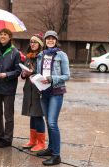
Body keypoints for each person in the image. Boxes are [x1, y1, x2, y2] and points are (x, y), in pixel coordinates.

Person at [35, 30, 70, 166]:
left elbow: (67, 75)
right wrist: (36, 79)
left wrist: (52, 78)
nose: (50, 40)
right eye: (48, 38)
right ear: (44, 40)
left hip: (56, 92)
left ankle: (56, 156)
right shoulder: (40, 55)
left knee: (52, 123)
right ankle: (51, 148)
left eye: (52, 38)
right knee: (48, 122)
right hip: (44, 92)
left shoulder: (61, 55)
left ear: (56, 40)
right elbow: (39, 73)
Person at [0, 28, 21, 148]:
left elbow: (18, 71)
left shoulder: (15, 52)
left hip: (8, 88)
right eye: (1, 34)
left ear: (10, 37)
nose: (2, 36)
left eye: (5, 34)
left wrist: (6, 75)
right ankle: (0, 135)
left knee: (8, 115)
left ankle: (7, 139)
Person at [21, 33, 46, 152]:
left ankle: (41, 143)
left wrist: (33, 72)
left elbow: (44, 74)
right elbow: (24, 73)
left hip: (38, 89)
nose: (32, 44)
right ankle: (33, 140)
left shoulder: (43, 57)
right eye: (31, 42)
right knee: (32, 115)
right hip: (28, 89)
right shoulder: (28, 56)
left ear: (40, 44)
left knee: (38, 115)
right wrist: (24, 74)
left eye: (35, 42)